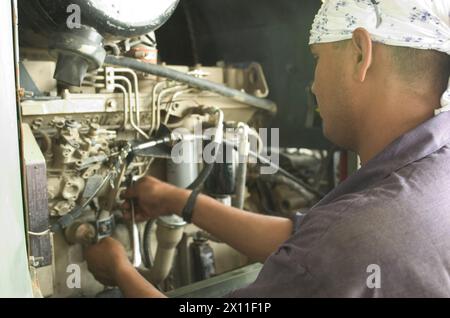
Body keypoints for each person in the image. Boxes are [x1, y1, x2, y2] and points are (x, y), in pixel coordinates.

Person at [85, 0, 450, 297]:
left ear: (360, 54)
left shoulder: (356, 240)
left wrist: (120, 270)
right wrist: (177, 200)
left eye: (317, 59)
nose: (312, 86)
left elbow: (323, 254)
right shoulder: (434, 167)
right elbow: (302, 242)